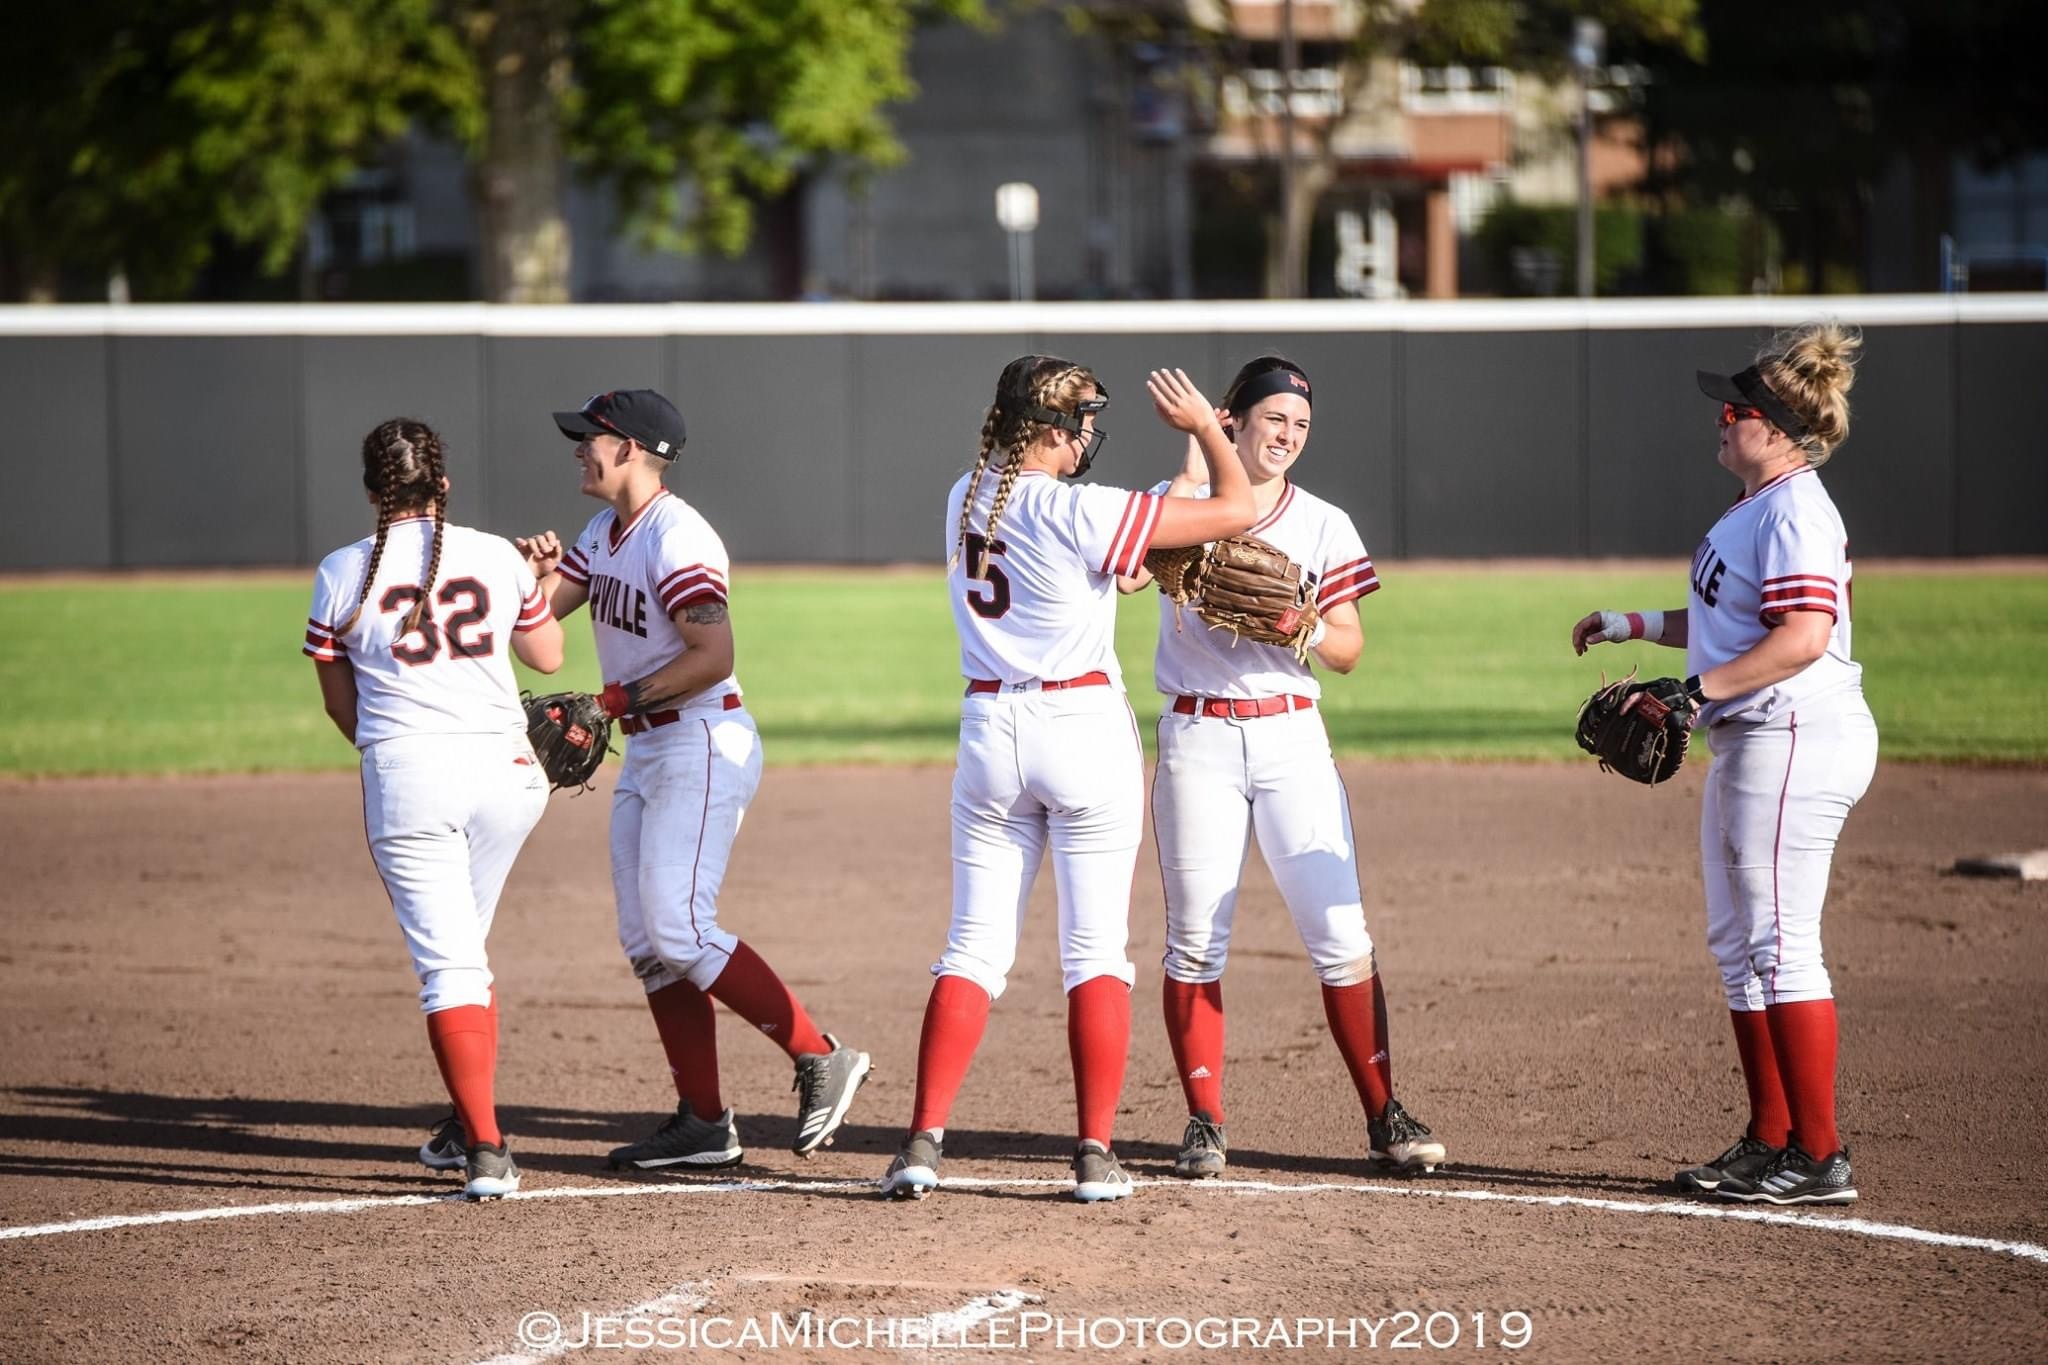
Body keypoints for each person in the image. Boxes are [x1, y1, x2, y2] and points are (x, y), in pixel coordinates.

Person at [878, 358, 1259, 1204]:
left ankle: (920, 1144)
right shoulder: (1081, 505)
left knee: (972, 947)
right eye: (1081, 420)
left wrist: (1175, 489)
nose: (1089, 434)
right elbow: (1239, 508)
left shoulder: (966, 496)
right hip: (1080, 728)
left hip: (989, 733)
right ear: (1050, 428)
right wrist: (1206, 428)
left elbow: (1119, 568)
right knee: (1095, 953)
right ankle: (1093, 1153)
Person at [516, 389, 870, 1171]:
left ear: (632, 449)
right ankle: (705, 1122)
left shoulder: (679, 537)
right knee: (648, 942)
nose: (579, 449)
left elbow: (713, 658)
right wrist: (527, 585)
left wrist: (609, 700)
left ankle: (823, 1055)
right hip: (647, 751)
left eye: (591, 438)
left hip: (703, 742)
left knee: (678, 925)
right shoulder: (601, 532)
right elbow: (538, 633)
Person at [1119, 355, 1446, 1180]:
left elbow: (1348, 651)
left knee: (1341, 934)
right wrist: (1191, 465)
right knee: (1194, 940)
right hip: (1197, 738)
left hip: (1292, 738)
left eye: (1300, 426)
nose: (1288, 437)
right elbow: (1127, 575)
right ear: (1232, 418)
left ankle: (1385, 1113)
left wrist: (1301, 625)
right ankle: (1204, 1120)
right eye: (1273, 420)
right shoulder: (1180, 506)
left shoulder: (1324, 523)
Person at [1572, 322, 1875, 1206]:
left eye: (1736, 410)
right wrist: (1634, 624)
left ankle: (1819, 1155)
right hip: (1757, 737)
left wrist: (1695, 694)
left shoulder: (1795, 510)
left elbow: (1805, 637)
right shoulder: (1759, 507)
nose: (1721, 420)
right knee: (1739, 947)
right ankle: (1770, 1136)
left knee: (1782, 947)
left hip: (1794, 734)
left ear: (1778, 429)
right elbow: (1729, 620)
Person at [307, 418, 565, 1201]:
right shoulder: (496, 554)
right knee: (466, 948)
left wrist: (398, 752)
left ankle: (486, 1148)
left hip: (413, 776)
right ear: (443, 486)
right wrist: (539, 582)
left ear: (370, 491)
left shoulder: (341, 570)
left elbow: (342, 710)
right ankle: (465, 1119)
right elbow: (548, 656)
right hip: (509, 776)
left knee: (448, 963)